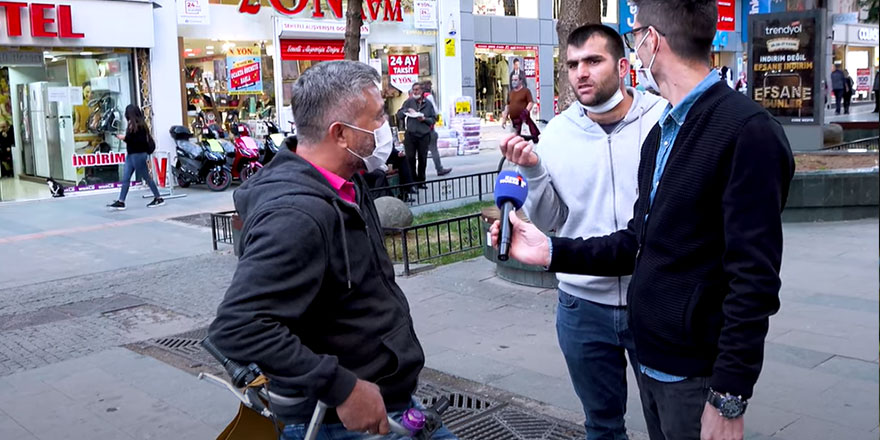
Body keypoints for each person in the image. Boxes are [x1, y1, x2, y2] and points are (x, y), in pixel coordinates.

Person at [492, 0, 794, 439]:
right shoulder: (665, 131)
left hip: (694, 370)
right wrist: (551, 250)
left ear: (650, 41)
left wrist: (729, 396)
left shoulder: (747, 131)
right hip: (654, 357)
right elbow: (638, 240)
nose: (581, 71)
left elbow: (755, 281)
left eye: (634, 35)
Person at [207, 61, 457, 440]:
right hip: (340, 421)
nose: (384, 128)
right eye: (376, 118)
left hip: (389, 402)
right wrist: (342, 387)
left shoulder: (347, 183)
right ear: (339, 133)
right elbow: (238, 327)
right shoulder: (296, 215)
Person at [502, 24, 666, 439]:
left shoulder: (663, 121)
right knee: (602, 425)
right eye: (573, 64)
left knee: (671, 424)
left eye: (593, 61)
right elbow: (548, 220)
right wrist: (533, 170)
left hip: (655, 300)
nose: (581, 73)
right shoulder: (557, 133)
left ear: (624, 66)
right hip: (581, 308)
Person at [107, 105, 163, 210]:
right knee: (126, 178)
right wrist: (126, 138)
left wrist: (125, 138)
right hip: (131, 155)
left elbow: (138, 142)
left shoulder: (140, 126)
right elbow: (133, 140)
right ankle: (121, 201)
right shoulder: (133, 125)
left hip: (138, 155)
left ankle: (158, 197)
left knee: (146, 177)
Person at [396, 82, 436, 185]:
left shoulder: (428, 104)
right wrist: (406, 110)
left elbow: (433, 119)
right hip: (410, 134)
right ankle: (412, 182)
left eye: (417, 90)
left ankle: (421, 181)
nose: (415, 92)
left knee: (422, 158)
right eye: (413, 90)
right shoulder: (409, 102)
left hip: (424, 135)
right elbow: (399, 114)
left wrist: (424, 119)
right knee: (410, 159)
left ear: (422, 91)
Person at [422, 81, 452, 177]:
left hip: (418, 130)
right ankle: (439, 169)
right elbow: (435, 111)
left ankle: (419, 174)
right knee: (434, 149)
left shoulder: (413, 99)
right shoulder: (429, 97)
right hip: (429, 127)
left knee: (421, 151)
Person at [501, 75, 541, 142]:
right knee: (515, 139)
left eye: (515, 80)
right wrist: (504, 118)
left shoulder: (526, 91)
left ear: (520, 81)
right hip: (514, 121)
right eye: (512, 80)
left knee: (527, 137)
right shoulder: (511, 93)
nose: (513, 82)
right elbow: (508, 105)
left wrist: (526, 112)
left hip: (524, 120)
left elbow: (530, 102)